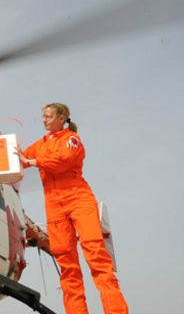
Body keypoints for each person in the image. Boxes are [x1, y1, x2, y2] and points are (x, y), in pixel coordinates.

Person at [17, 102, 128, 314]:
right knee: (67, 266)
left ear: (61, 118)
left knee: (96, 257)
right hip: (53, 205)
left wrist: (32, 161)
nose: (44, 120)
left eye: (48, 116)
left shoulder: (72, 139)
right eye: (43, 116)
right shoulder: (39, 144)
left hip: (78, 199)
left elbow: (63, 160)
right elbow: (20, 158)